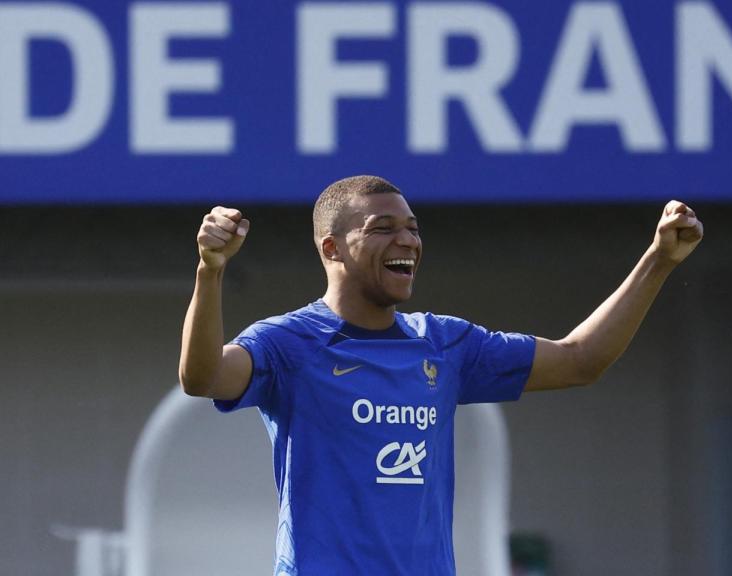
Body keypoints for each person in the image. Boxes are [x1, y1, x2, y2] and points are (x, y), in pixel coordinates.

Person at [178, 175, 703, 575]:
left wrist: (659, 260)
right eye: (383, 229)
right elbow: (203, 377)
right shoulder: (289, 343)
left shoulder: (445, 343)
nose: (407, 241)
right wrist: (211, 270)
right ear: (331, 249)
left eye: (412, 228)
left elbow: (580, 360)